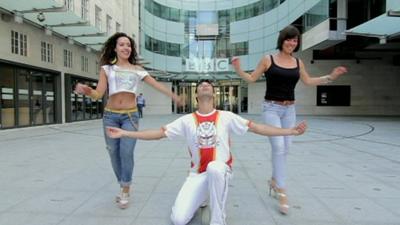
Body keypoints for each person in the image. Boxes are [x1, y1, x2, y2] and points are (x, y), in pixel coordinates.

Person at [106, 80, 307, 225]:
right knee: (178, 219)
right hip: (197, 174)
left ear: (213, 94)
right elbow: (159, 133)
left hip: (221, 170)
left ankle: (218, 220)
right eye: (201, 85)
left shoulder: (226, 116)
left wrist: (289, 131)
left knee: (214, 168)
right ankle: (203, 194)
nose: (204, 85)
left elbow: (258, 128)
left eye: (208, 85)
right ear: (196, 94)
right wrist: (126, 132)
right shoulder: (186, 120)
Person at [231, 25, 347, 214]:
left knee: (287, 148)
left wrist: (331, 76)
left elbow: (308, 81)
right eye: (289, 39)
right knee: (278, 147)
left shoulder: (298, 63)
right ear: (282, 40)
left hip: (289, 110)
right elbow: (251, 79)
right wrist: (238, 69)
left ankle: (275, 180)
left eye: (295, 40)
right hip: (271, 109)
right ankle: (282, 190)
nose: (292, 43)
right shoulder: (268, 60)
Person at [74, 32, 182, 209]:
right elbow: (98, 94)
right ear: (115, 48)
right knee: (113, 153)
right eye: (122, 44)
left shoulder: (138, 70)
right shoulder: (107, 69)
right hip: (110, 116)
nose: (126, 47)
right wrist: (87, 90)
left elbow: (155, 84)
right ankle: (122, 182)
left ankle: (125, 188)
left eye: (129, 45)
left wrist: (173, 96)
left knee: (126, 152)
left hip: (130, 116)